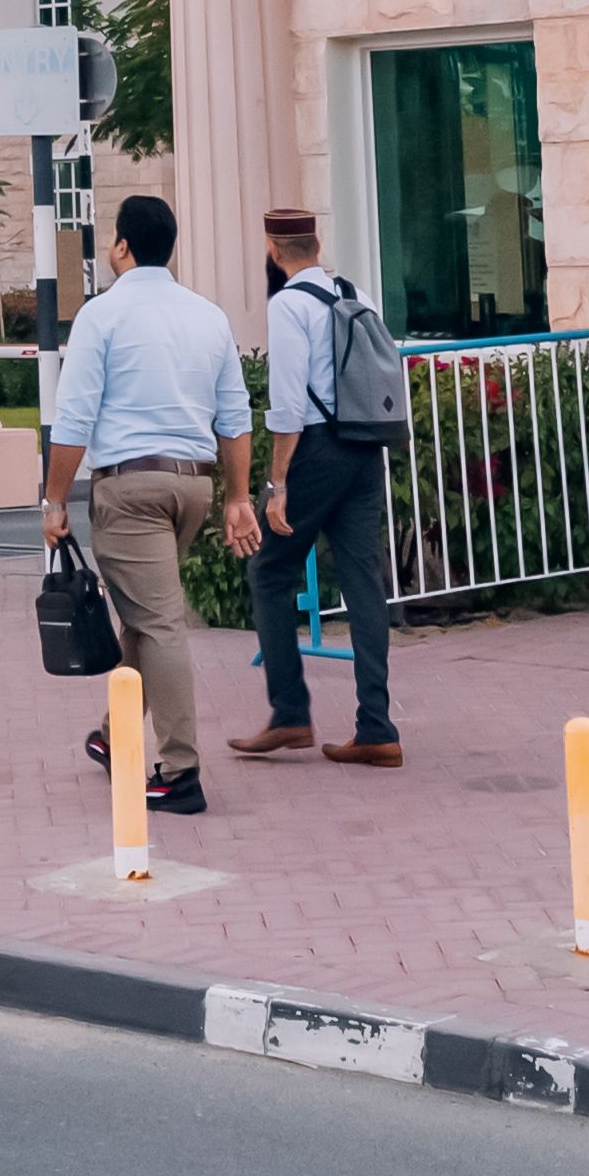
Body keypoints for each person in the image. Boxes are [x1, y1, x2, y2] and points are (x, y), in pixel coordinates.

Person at [36, 192, 251, 812]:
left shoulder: (102, 315)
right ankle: (114, 735)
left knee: (158, 623)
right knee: (142, 614)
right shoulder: (207, 316)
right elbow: (235, 417)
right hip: (193, 487)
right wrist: (237, 497)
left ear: (123, 245)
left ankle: (181, 772)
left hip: (130, 489)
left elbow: (74, 418)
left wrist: (54, 501)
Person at [233, 206, 404, 766]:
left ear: (273, 249)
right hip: (364, 446)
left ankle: (289, 714)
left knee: (269, 570)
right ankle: (376, 727)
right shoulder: (356, 293)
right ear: (317, 244)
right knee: (363, 581)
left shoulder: (289, 305)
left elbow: (288, 405)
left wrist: (277, 482)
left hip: (316, 450)